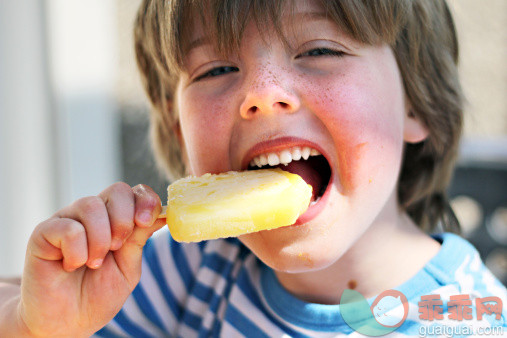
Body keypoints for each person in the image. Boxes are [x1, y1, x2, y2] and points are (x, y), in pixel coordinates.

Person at [1, 0, 506, 336]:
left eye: (320, 50)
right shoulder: (179, 273)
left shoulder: (471, 321)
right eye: (216, 69)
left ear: (415, 101)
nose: (262, 94)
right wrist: (33, 326)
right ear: (180, 129)